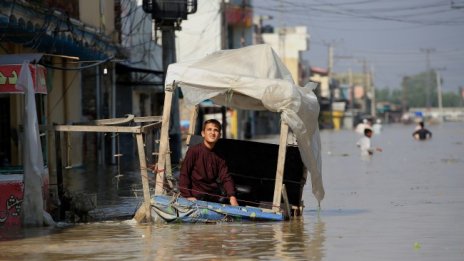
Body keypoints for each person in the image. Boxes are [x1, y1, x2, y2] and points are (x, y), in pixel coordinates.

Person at [179, 119, 239, 206]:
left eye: (216, 130)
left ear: (219, 135)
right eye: (209, 129)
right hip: (195, 197)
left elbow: (226, 177)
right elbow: (184, 174)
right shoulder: (194, 151)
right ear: (203, 133)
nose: (212, 133)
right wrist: (187, 196)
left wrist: (232, 196)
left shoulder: (220, 156)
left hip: (213, 197)